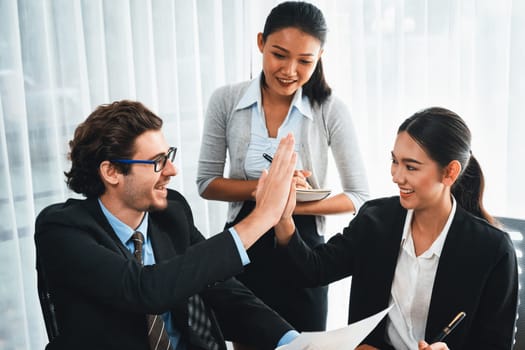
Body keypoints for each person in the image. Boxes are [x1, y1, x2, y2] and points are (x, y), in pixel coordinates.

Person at [34, 100, 303, 350]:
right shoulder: (61, 230)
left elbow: (222, 289)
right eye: (156, 162)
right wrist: (263, 217)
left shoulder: (171, 212)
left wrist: (294, 342)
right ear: (111, 172)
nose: (171, 170)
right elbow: (145, 290)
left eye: (168, 156)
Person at [273, 107, 518, 349]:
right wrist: (283, 218)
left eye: (411, 167)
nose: (396, 176)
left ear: (449, 173)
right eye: (394, 161)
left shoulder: (492, 249)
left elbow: (495, 343)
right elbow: (313, 271)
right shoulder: (376, 220)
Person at [196, 0, 369, 338]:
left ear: (319, 57)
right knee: (245, 337)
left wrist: (293, 202)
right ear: (261, 43)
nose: (290, 70)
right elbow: (207, 183)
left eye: (305, 61)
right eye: (279, 55)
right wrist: (268, 189)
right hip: (243, 245)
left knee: (301, 343)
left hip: (303, 253)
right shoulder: (226, 101)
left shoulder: (329, 109)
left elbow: (358, 196)